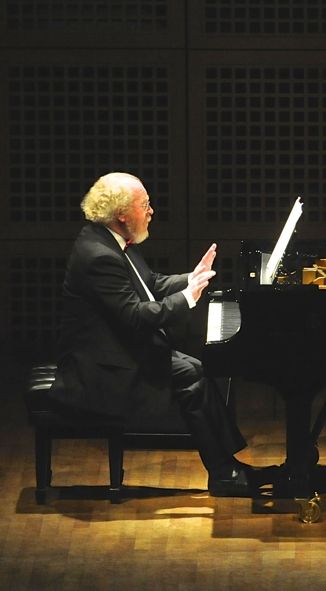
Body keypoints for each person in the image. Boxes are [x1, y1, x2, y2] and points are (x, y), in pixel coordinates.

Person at [48, 172, 260, 497]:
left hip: (117, 351)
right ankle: (224, 472)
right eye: (144, 205)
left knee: (195, 370)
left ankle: (226, 467)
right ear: (121, 214)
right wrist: (189, 297)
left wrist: (193, 276)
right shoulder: (99, 256)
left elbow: (151, 284)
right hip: (100, 369)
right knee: (192, 374)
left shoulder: (112, 240)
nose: (152, 211)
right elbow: (135, 315)